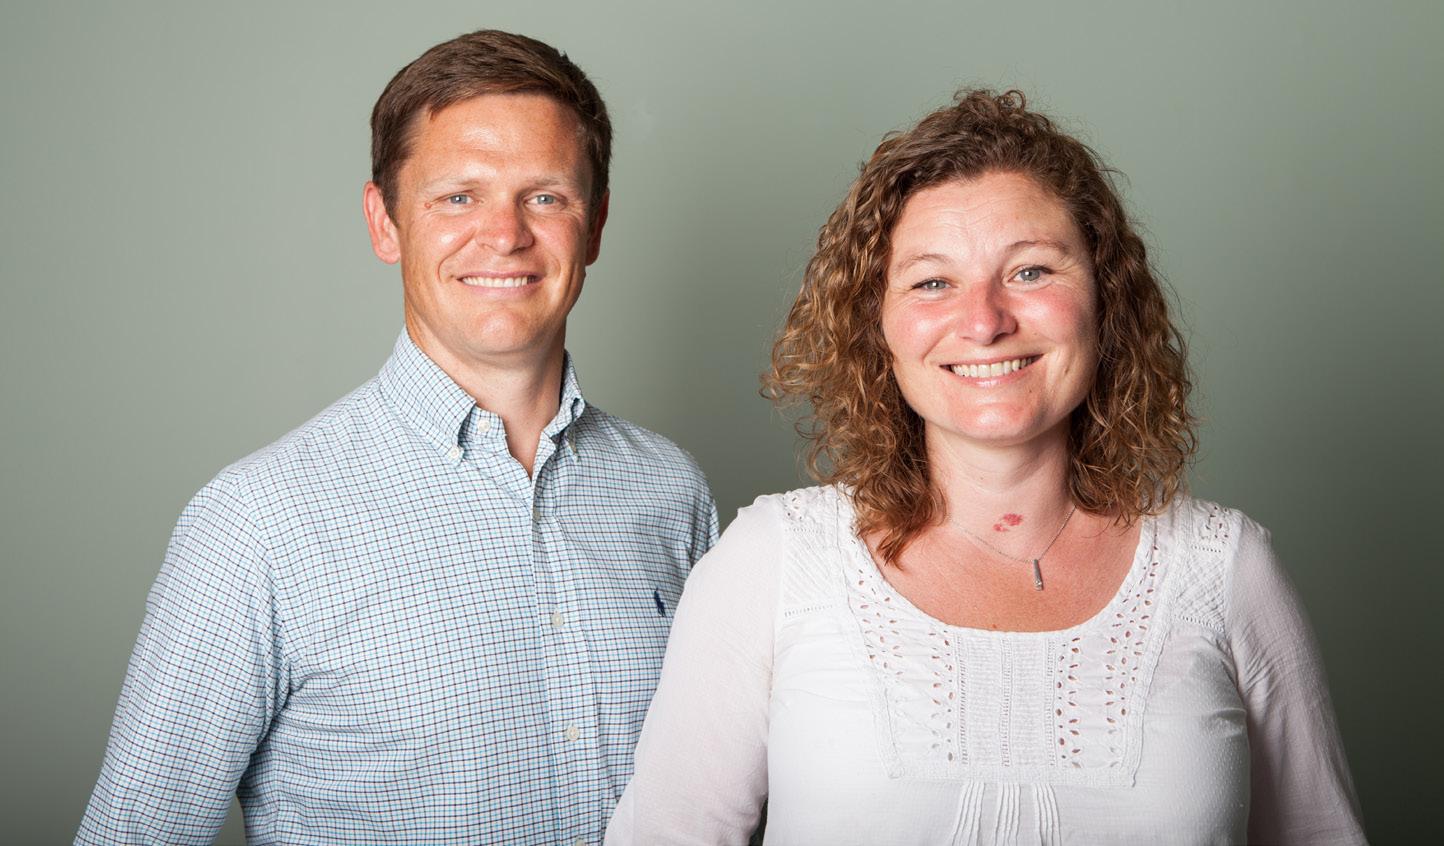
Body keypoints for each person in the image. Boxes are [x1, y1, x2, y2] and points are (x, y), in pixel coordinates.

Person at [606, 90, 1365, 844]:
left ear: (1106, 301)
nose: (985, 321)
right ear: (877, 328)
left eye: (1031, 271)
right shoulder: (774, 560)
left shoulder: (1226, 570)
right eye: (933, 282)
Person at [77, 30, 717, 845]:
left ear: (593, 227)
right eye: (458, 197)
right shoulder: (256, 524)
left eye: (545, 197)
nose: (505, 234)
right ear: (385, 223)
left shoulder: (671, 491)